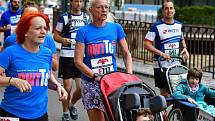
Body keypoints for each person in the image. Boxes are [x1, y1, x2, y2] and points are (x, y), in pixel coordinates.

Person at [0, 13, 67, 120]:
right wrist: (13, 80)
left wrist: (58, 86)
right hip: (12, 113)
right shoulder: (10, 52)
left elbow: (43, 78)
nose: (43, 31)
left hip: (40, 114)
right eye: (38, 28)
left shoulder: (47, 53)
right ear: (25, 32)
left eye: (45, 28)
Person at [74, 0, 133, 120]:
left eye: (106, 7)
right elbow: (78, 61)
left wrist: (129, 75)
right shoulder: (83, 31)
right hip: (91, 83)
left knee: (113, 117)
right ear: (91, 10)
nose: (104, 10)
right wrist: (95, 76)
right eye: (100, 7)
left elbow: (126, 53)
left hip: (111, 82)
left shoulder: (116, 28)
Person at [144, 0, 189, 97]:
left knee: (177, 93)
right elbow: (146, 44)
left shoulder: (179, 25)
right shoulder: (156, 26)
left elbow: (181, 39)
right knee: (166, 95)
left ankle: (173, 111)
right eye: (166, 8)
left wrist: (185, 48)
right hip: (161, 64)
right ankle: (161, 111)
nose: (169, 10)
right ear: (163, 11)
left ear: (174, 10)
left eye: (171, 8)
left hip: (176, 64)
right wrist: (161, 53)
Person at [54, 0, 90, 120]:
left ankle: (71, 105)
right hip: (67, 56)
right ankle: (65, 113)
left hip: (81, 57)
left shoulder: (86, 17)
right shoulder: (64, 17)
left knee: (81, 88)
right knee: (67, 88)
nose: (79, 3)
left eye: (81, 1)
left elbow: (89, 35)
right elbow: (56, 35)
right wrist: (63, 40)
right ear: (71, 2)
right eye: (76, 1)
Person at [3, 2, 58, 72]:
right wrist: (11, 80)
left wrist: (40, 54)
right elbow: (3, 67)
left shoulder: (47, 39)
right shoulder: (11, 40)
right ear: (22, 20)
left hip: (42, 80)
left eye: (35, 16)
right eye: (28, 17)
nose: (33, 19)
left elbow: (55, 68)